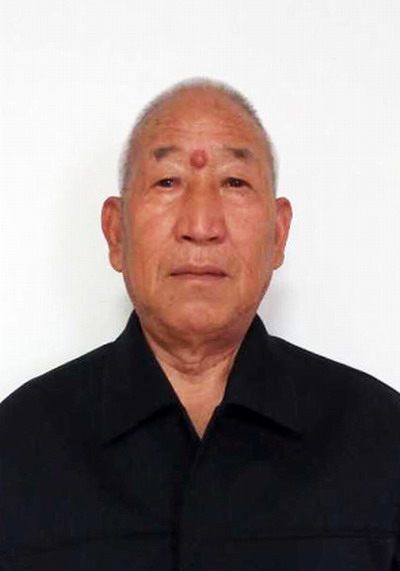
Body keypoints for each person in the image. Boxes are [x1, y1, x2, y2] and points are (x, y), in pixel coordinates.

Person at [1, 78, 399, 571]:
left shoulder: (380, 440)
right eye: (168, 182)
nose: (201, 225)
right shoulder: (18, 446)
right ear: (116, 232)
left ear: (278, 234)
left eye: (235, 183)